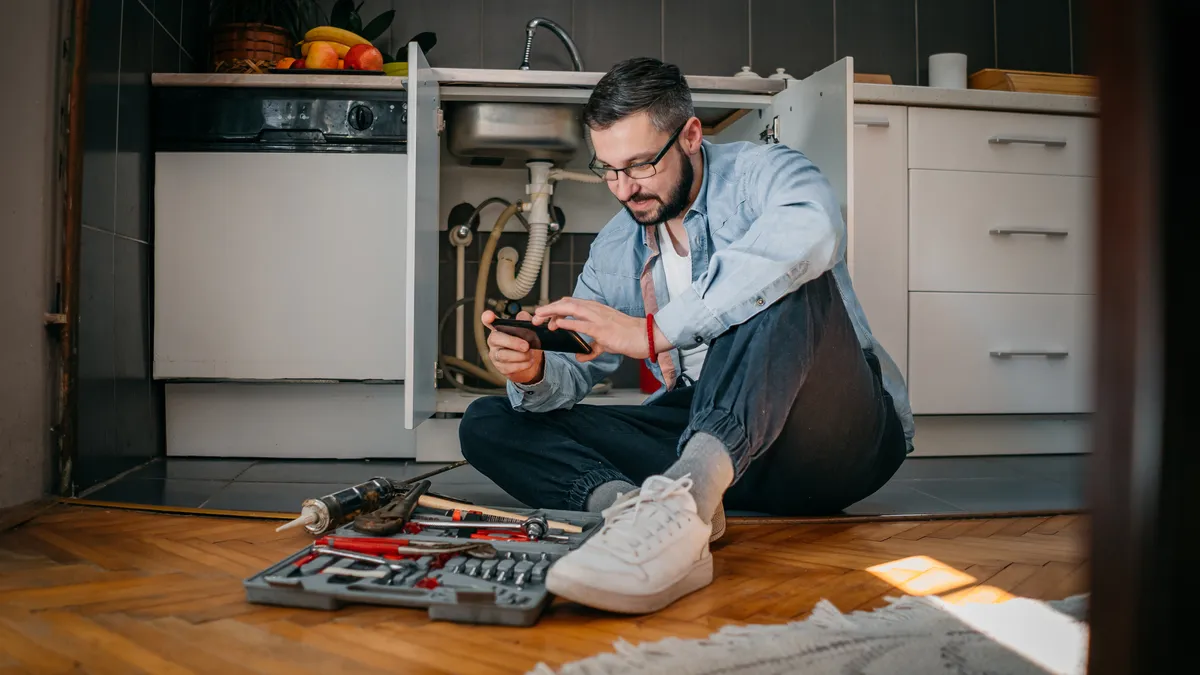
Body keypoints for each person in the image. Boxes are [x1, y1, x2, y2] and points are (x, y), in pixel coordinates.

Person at [458, 56, 914, 615]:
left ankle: (683, 500)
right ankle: (647, 513)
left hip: (829, 442)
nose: (624, 189)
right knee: (490, 421)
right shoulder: (613, 248)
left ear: (691, 135)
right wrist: (535, 372)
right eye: (608, 169)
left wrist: (654, 332)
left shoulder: (765, 174)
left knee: (786, 280)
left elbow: (815, 234)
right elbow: (581, 368)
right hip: (710, 447)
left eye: (641, 165)